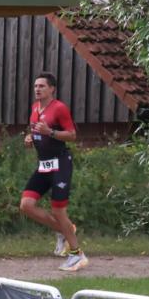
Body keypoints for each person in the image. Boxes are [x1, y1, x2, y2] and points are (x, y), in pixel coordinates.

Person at [21, 72, 88, 272]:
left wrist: (50, 132)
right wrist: (30, 138)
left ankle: (77, 255)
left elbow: (72, 135)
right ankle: (64, 230)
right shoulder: (34, 108)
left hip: (60, 164)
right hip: (44, 165)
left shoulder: (59, 108)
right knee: (26, 205)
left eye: (42, 86)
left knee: (59, 210)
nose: (37, 89)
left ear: (52, 89)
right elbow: (36, 130)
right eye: (35, 86)